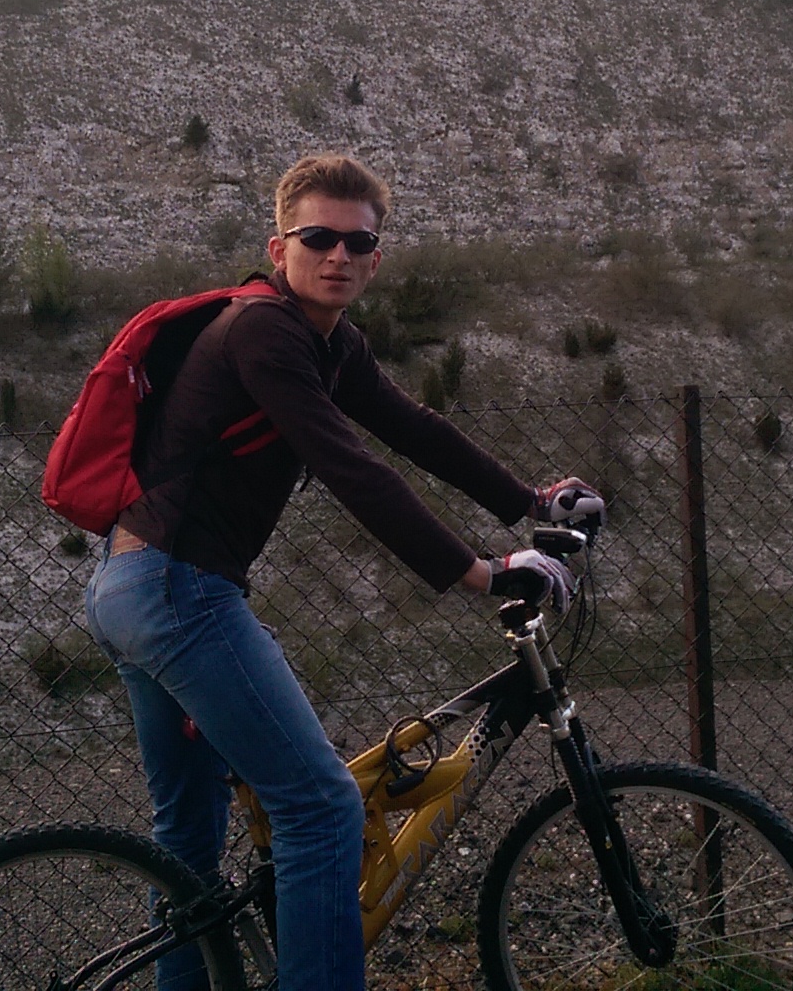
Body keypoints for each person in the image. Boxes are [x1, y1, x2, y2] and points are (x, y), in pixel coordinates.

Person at [84, 153, 603, 991]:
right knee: (321, 810)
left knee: (187, 841)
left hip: (131, 589)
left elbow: (413, 429)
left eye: (357, 243)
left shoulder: (331, 342)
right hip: (179, 594)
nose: (338, 256)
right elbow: (350, 466)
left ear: (376, 258)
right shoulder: (263, 332)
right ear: (278, 247)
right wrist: (480, 573)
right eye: (317, 238)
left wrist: (530, 501)